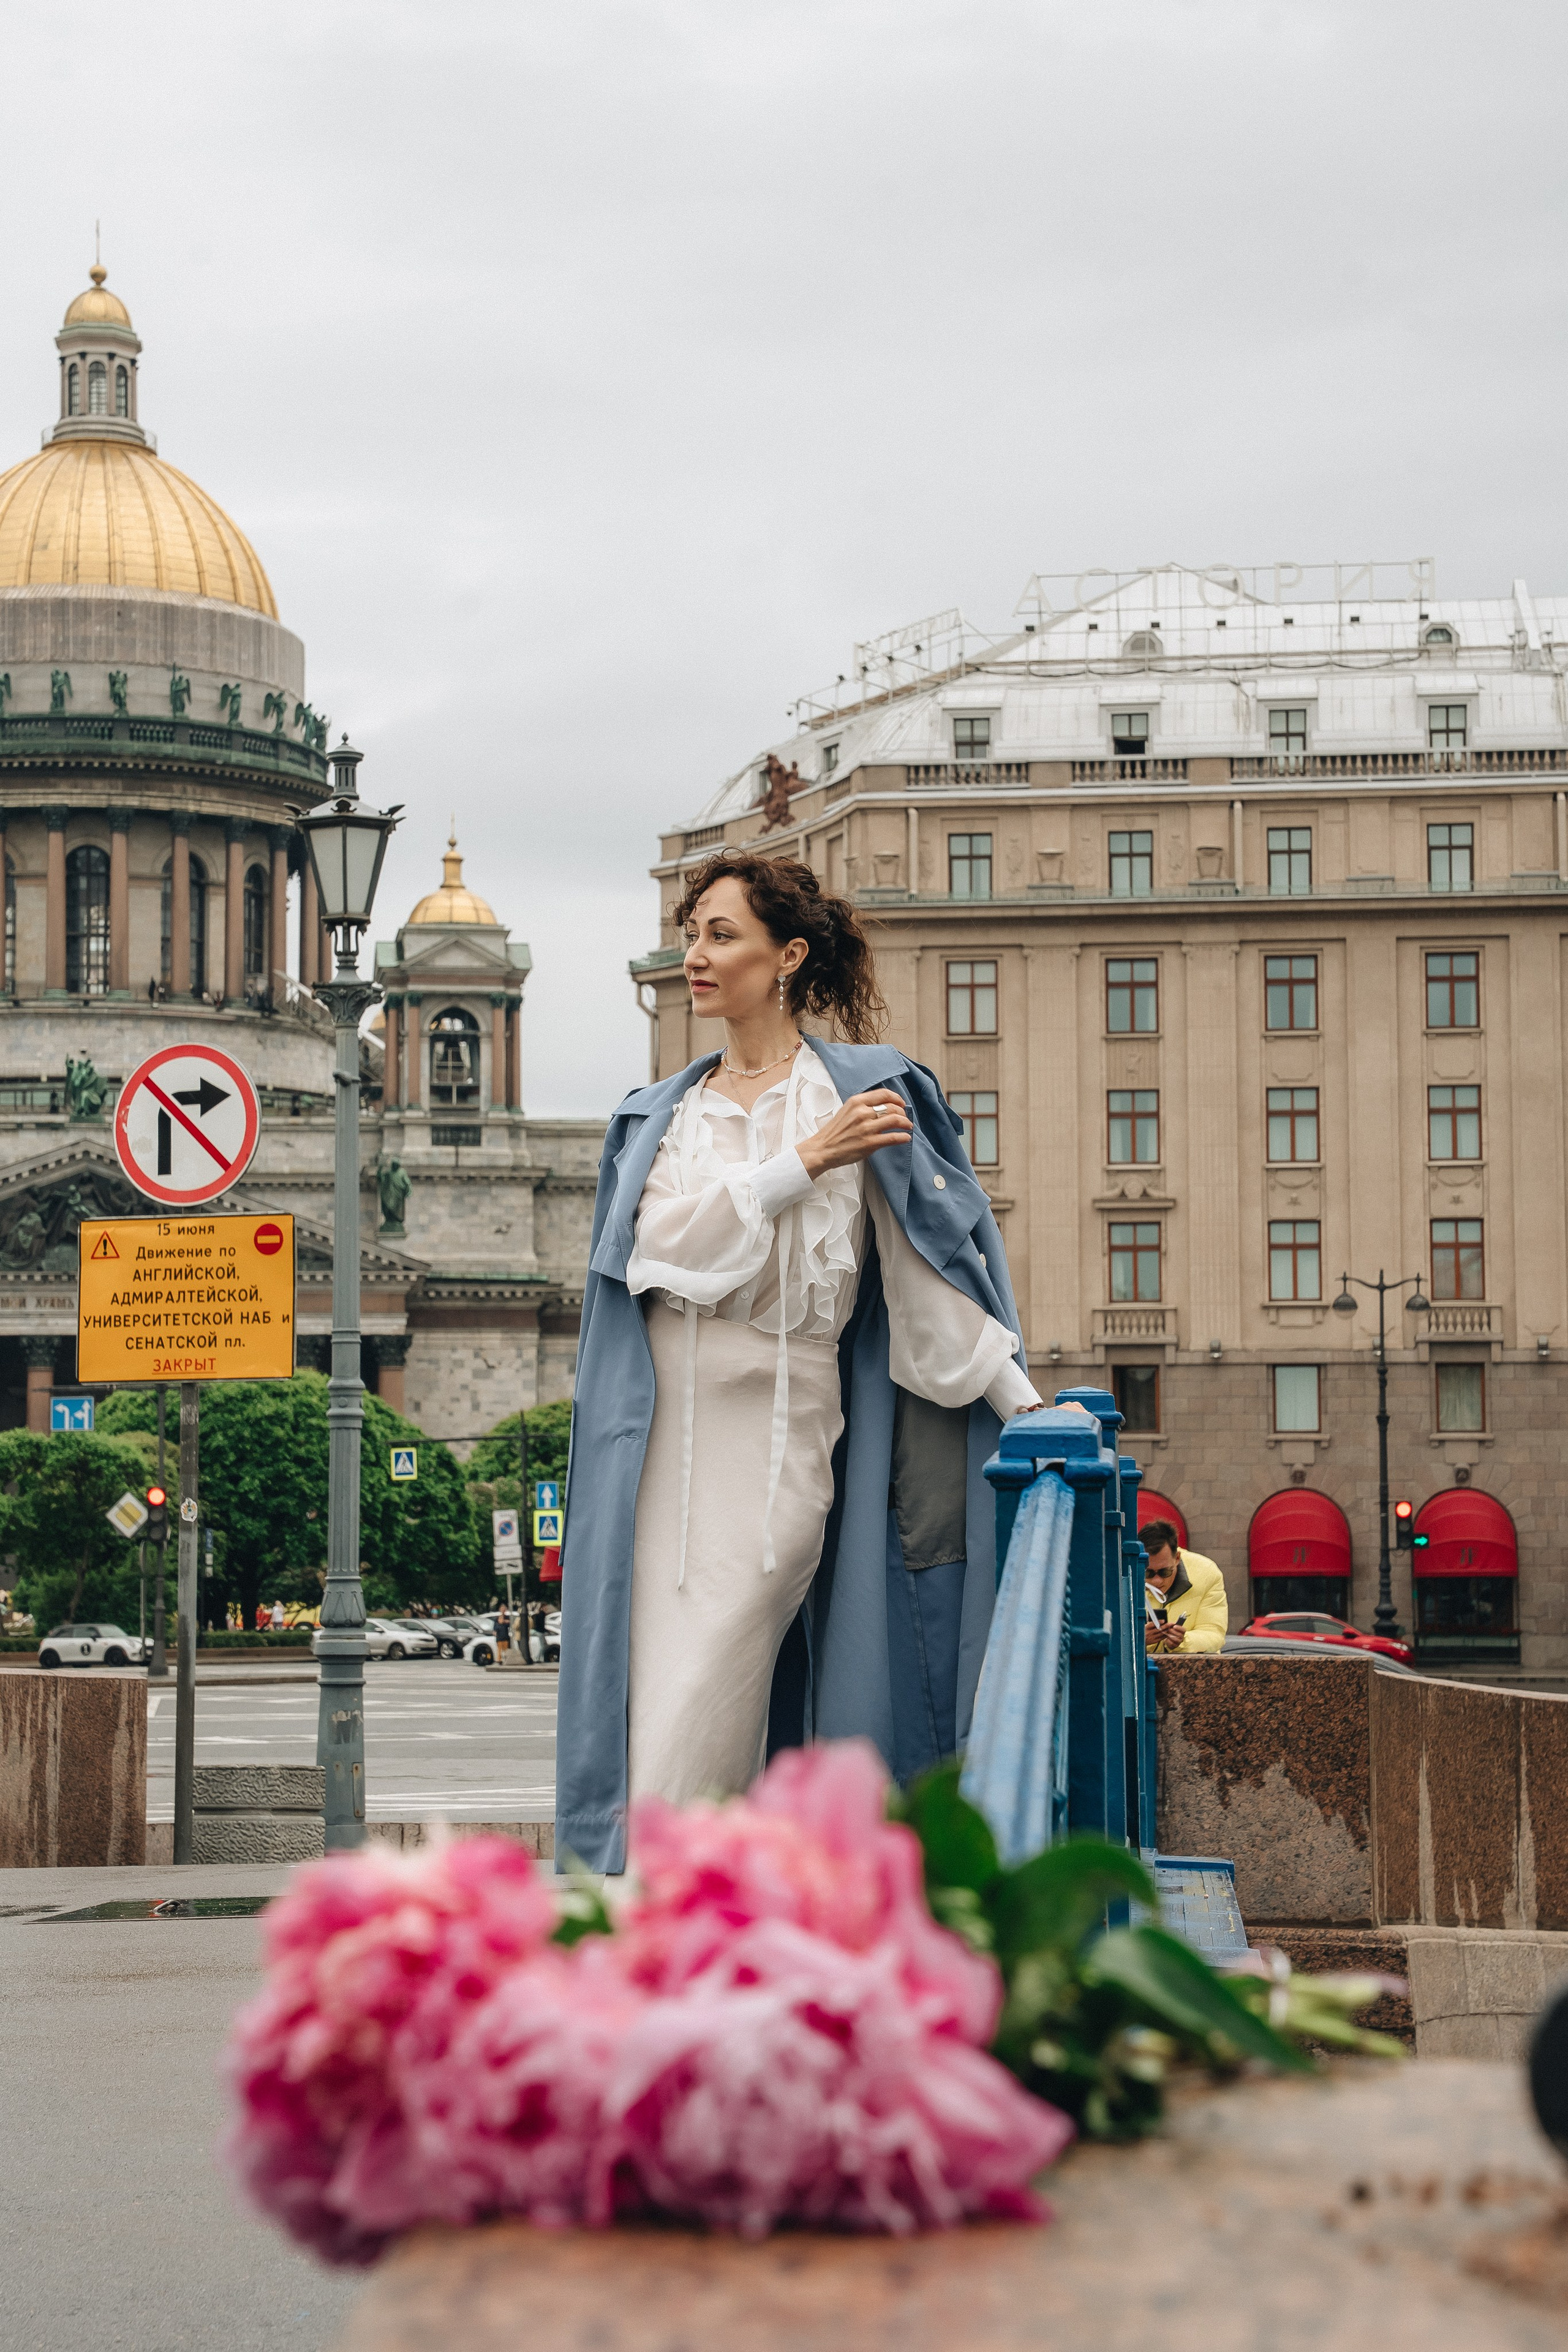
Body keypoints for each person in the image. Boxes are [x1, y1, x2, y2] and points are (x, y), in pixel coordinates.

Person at [555, 850, 1050, 1875]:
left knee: (705, 1683)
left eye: (718, 935)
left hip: (782, 1426)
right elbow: (656, 1254)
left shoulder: (863, 1094)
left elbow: (932, 1283)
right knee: (650, 1686)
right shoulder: (664, 1114)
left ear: (785, 956)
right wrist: (800, 1164)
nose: (693, 955)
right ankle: (689, 1921)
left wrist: (1029, 1407)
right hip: (652, 1440)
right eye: (690, 934)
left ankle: (633, 1916)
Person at [1142, 1520, 1228, 1654]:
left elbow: (1215, 1634)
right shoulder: (1124, 1573)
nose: (1157, 1581)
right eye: (1148, 1573)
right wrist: (1139, 1638)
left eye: (1165, 1572)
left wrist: (1183, 1642)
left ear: (1177, 1558)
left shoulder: (1206, 1572)